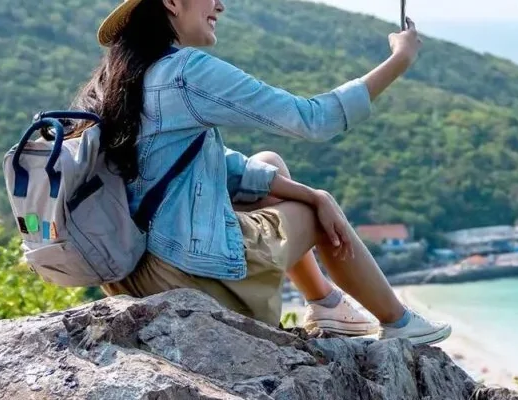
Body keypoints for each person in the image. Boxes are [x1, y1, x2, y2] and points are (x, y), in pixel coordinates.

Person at [69, 0, 451, 345]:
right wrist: (400, 60)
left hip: (128, 275)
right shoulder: (185, 72)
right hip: (182, 275)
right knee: (314, 218)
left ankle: (327, 304)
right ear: (171, 2)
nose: (220, 6)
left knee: (269, 163)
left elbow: (209, 163)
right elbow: (313, 119)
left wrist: (314, 193)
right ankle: (399, 324)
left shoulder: (117, 80)